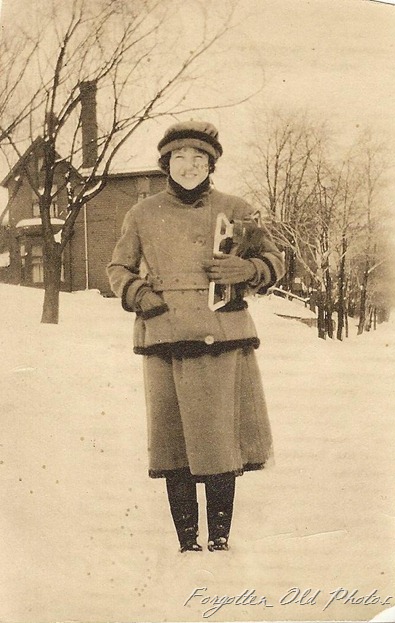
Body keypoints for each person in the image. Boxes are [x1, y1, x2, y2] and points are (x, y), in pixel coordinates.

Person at [107, 120, 285, 553]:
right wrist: (140, 295)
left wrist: (251, 271)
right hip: (165, 334)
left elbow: (275, 259)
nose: (189, 165)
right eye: (180, 157)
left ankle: (220, 539)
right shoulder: (142, 212)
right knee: (174, 440)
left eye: (199, 158)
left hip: (223, 334)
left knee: (221, 436)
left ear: (212, 163)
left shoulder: (236, 208)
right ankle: (187, 541)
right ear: (165, 162)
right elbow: (118, 269)